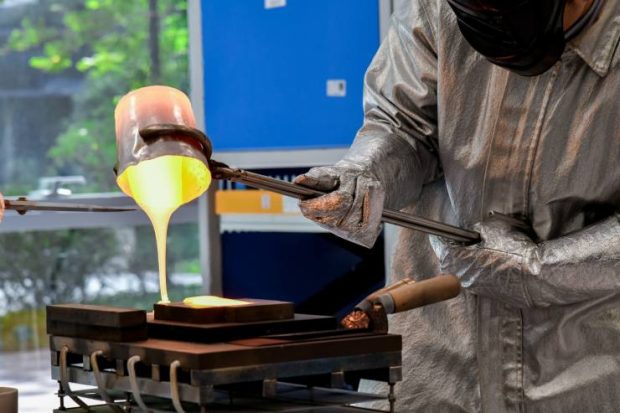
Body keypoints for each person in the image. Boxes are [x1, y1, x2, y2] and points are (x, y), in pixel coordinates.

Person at [295, 0, 620, 411]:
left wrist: (542, 268)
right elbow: (404, 126)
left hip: (585, 373)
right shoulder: (433, 8)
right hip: (437, 362)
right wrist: (365, 173)